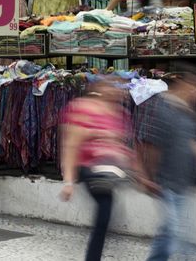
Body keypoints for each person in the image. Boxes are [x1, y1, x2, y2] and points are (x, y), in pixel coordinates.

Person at [137, 70, 196, 261]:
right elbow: (150, 144)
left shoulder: (190, 113)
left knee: (170, 232)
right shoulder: (164, 108)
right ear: (187, 86)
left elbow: (190, 142)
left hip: (182, 182)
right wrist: (148, 177)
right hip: (166, 182)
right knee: (175, 233)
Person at [59, 77, 136, 261]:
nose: (116, 91)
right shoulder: (82, 107)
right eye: (111, 87)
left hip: (111, 171)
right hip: (90, 168)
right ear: (99, 89)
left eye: (118, 88)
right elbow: (71, 145)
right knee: (105, 212)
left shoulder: (120, 113)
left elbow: (122, 144)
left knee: (106, 215)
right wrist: (68, 181)